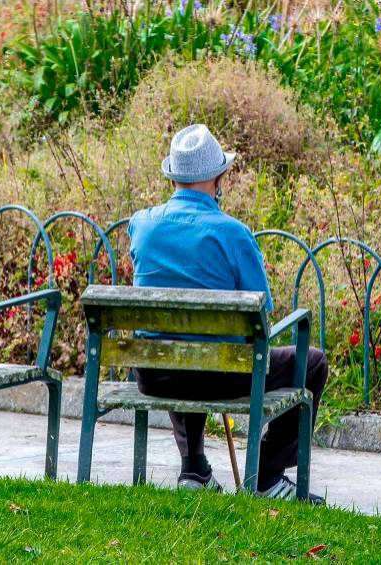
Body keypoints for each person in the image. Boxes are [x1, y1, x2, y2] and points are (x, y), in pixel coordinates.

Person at [128, 124, 328, 503]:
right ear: (220, 177)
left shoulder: (142, 225)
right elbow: (262, 316)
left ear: (172, 175)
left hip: (154, 374)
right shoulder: (234, 234)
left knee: (178, 348)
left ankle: (194, 469)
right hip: (222, 375)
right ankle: (268, 475)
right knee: (312, 362)